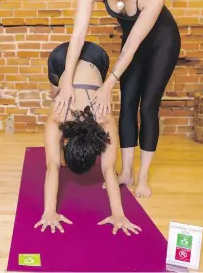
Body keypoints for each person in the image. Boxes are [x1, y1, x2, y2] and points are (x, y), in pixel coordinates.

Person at [54, 0, 181, 198]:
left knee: (148, 106)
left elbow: (133, 44)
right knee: (127, 103)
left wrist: (107, 85)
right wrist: (66, 81)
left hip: (162, 43)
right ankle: (127, 172)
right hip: (131, 45)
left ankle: (143, 176)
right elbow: (78, 36)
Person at [35, 41, 141, 236]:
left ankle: (57, 144)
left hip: (94, 56)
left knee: (56, 96)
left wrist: (49, 211)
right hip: (71, 57)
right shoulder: (76, 117)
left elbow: (52, 167)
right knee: (55, 95)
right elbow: (108, 169)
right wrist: (117, 213)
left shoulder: (98, 120)